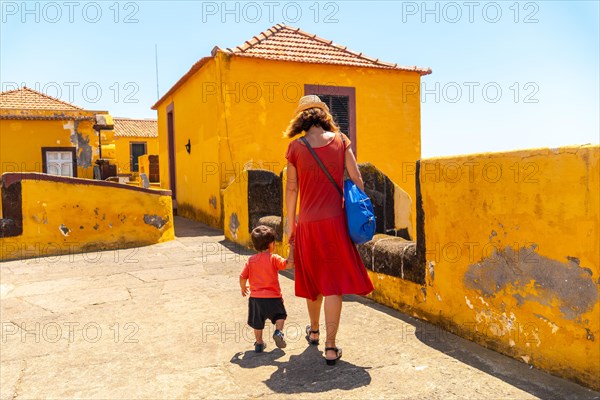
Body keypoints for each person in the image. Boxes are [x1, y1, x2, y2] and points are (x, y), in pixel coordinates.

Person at [284, 95, 374, 365]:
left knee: (313, 280)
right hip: (335, 222)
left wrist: (291, 225)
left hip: (308, 224)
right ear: (324, 116)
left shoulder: (295, 148)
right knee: (333, 282)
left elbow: (291, 189)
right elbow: (356, 178)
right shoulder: (341, 141)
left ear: (301, 119)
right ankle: (331, 347)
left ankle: (313, 331)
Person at [239, 225, 290, 353]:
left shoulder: (251, 261)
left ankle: (259, 343)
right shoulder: (274, 258)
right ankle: (278, 332)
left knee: (257, 322)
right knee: (280, 316)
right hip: (274, 298)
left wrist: (243, 287)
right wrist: (292, 250)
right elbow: (287, 265)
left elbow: (242, 276)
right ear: (271, 244)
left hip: (256, 299)